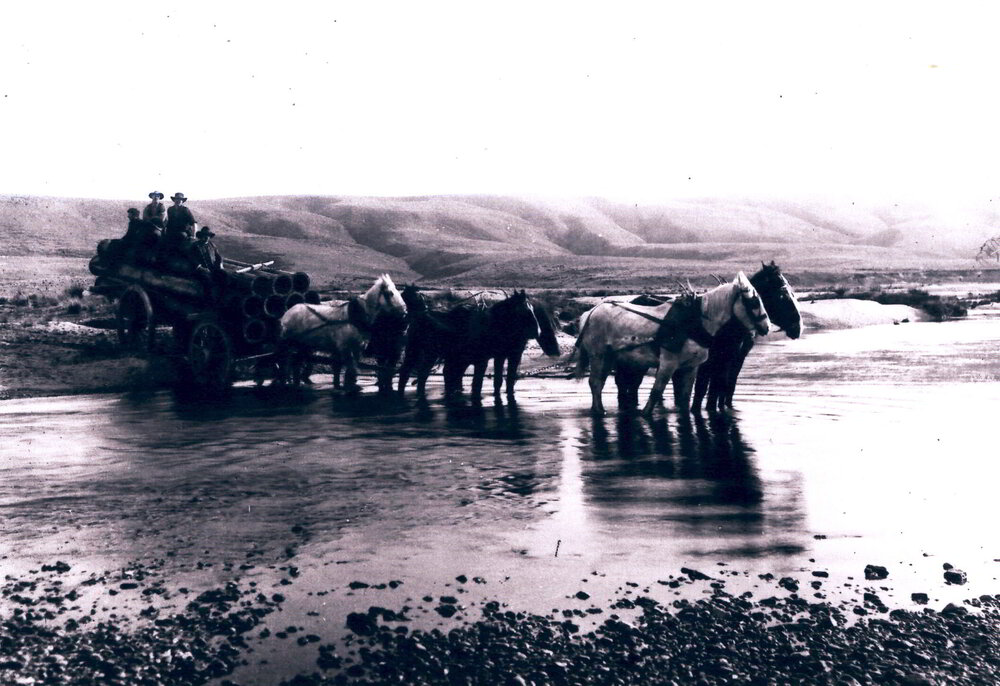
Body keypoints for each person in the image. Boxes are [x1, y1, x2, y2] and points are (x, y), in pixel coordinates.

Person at [188, 226, 224, 300]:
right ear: (201, 236)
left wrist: (220, 265)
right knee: (208, 281)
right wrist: (201, 268)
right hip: (200, 270)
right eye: (205, 235)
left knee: (224, 277)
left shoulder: (212, 245)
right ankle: (208, 301)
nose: (206, 237)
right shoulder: (195, 246)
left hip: (213, 268)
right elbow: (192, 259)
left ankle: (220, 298)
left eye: (208, 236)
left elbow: (218, 257)